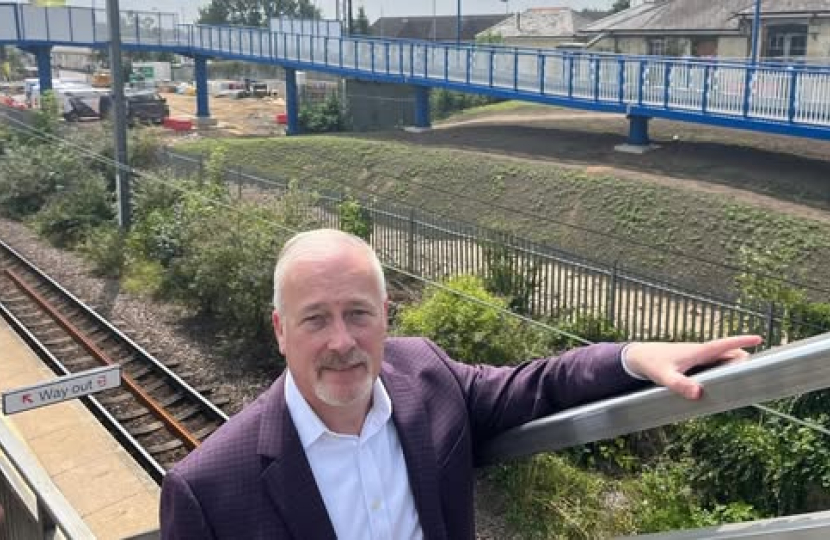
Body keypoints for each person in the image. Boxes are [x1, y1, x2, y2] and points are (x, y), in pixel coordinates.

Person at [160, 229, 761, 540]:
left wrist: (633, 355)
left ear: (386, 315)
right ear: (280, 331)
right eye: (315, 318)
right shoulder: (208, 490)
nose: (341, 340)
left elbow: (540, 385)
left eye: (358, 313)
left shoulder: (427, 378)